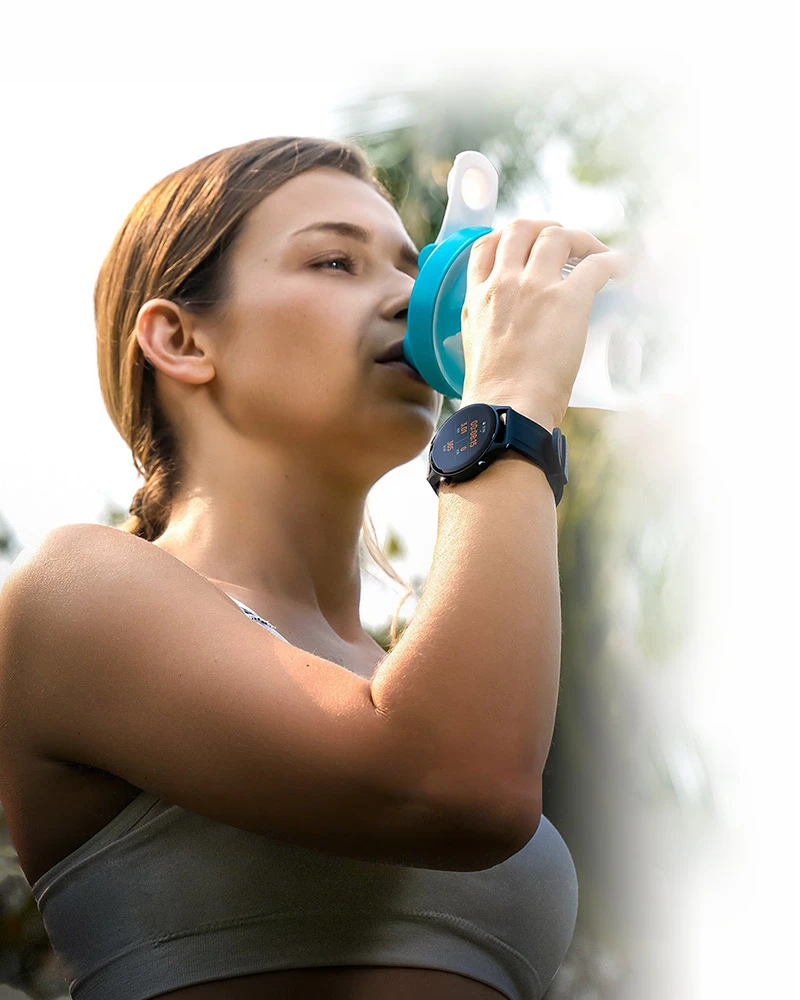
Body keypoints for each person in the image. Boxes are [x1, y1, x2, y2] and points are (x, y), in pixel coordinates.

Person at [0, 135, 626, 1000]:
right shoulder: (74, 592)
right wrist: (508, 407)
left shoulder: (425, 667)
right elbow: (456, 785)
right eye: (336, 261)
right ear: (180, 339)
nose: (410, 300)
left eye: (413, 269)